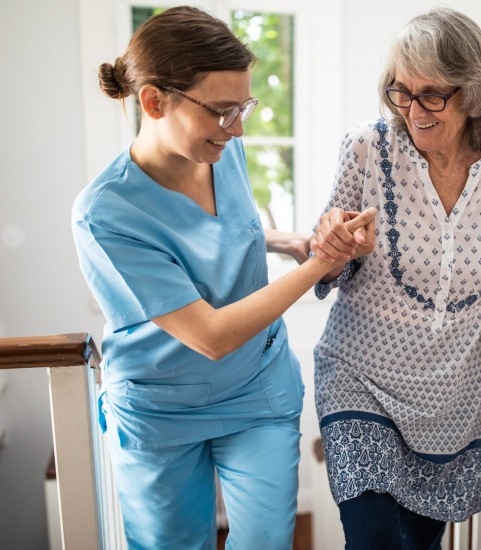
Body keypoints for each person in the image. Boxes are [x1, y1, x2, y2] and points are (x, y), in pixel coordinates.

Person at [71, 7, 376, 549]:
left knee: (265, 540)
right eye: (221, 110)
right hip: (161, 406)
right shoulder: (104, 212)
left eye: (243, 106)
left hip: (256, 385)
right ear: (153, 101)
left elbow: (215, 237)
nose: (238, 127)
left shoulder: (219, 150)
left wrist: (286, 242)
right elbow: (209, 334)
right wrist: (321, 264)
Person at [308, 8, 481, 549]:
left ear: (475, 93)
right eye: (400, 92)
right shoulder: (368, 148)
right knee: (374, 540)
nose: (412, 110)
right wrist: (333, 247)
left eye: (432, 95)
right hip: (359, 376)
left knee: (420, 542)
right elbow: (330, 260)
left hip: (455, 396)